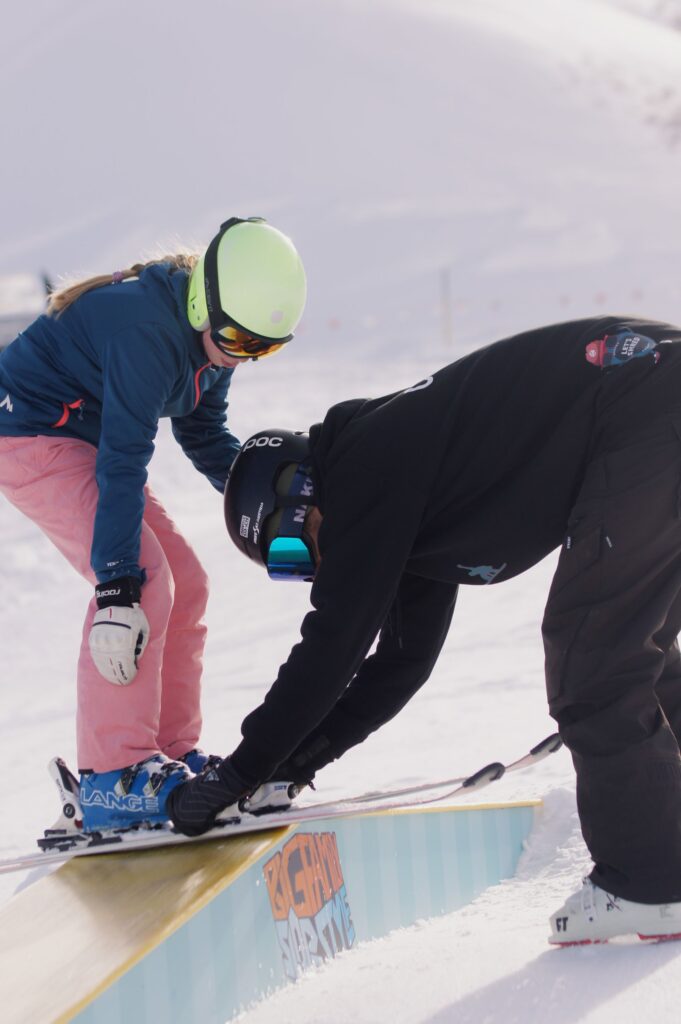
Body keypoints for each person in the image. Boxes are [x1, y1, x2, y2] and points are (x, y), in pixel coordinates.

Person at [168, 314, 681, 945]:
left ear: (299, 494)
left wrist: (238, 772)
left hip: (642, 399)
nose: (309, 572)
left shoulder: (363, 468)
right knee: (641, 654)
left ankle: (650, 883)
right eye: (286, 570)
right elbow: (401, 662)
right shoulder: (402, 494)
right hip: (652, 397)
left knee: (594, 659)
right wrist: (290, 766)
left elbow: (333, 644)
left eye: (292, 553)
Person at [0, 216, 307, 831]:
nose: (243, 355)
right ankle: (113, 776)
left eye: (263, 348)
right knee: (140, 582)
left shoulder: (215, 336)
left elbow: (203, 433)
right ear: (202, 304)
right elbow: (123, 460)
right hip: (32, 437)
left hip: (86, 443)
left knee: (187, 582)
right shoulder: (148, 334)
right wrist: (115, 583)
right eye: (239, 341)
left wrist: (276, 505)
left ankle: (167, 755)